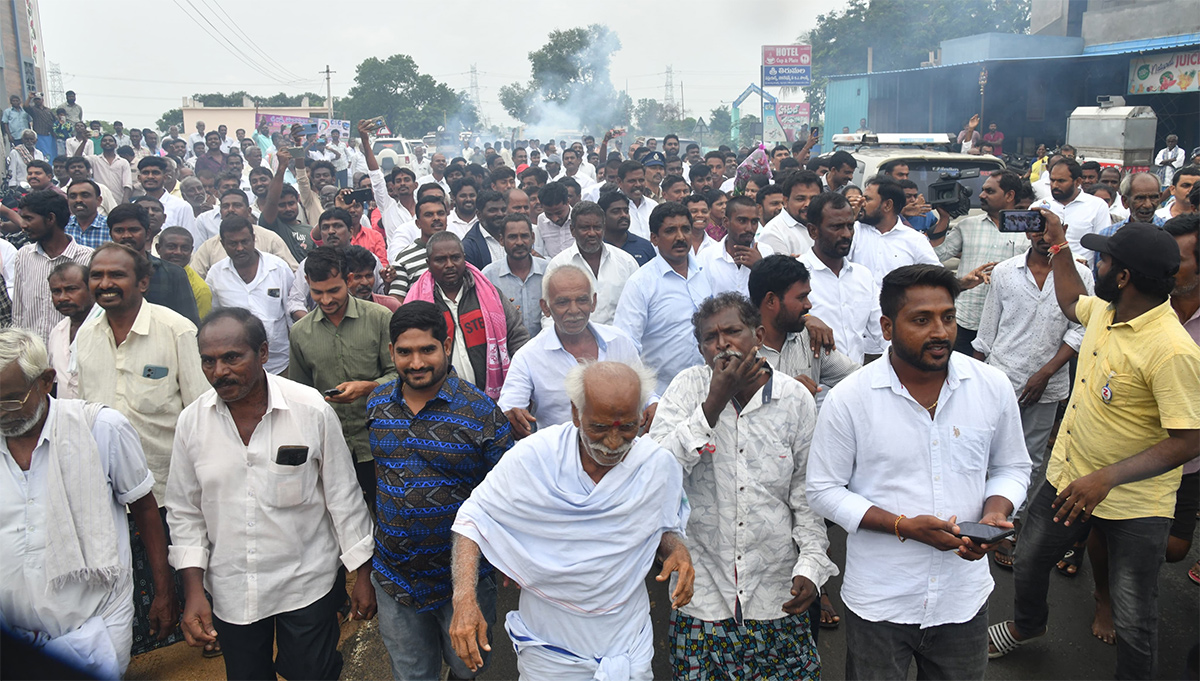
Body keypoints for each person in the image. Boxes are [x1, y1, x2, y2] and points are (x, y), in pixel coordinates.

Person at [988, 215, 1200, 680]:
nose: (1095, 265)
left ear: (1122, 276)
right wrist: (1059, 245)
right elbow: (1068, 301)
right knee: (1028, 559)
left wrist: (1108, 478)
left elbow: (1190, 439)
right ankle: (1028, 626)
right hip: (1069, 479)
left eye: (1102, 260)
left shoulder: (1172, 350)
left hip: (1135, 504)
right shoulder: (1107, 311)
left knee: (1133, 613)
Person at [807, 264, 1031, 681]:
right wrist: (902, 526)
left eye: (948, 317)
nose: (941, 332)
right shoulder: (850, 399)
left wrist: (994, 513)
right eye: (922, 320)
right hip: (881, 600)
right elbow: (823, 490)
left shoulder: (991, 386)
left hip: (962, 599)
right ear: (887, 327)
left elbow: (1011, 466)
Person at [165, 308, 375, 681]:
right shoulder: (192, 423)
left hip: (306, 581)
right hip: (232, 588)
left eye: (232, 357)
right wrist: (194, 590)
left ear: (263, 353)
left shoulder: (309, 409)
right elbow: (185, 511)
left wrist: (362, 574)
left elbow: (343, 497)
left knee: (314, 674)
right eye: (208, 361)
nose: (219, 371)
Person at [452, 361, 690, 680]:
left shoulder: (655, 465)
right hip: (550, 649)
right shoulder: (535, 457)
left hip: (627, 642)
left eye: (628, 427)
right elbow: (473, 519)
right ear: (577, 413)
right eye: (600, 428)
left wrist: (676, 550)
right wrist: (465, 598)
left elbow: (663, 525)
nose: (614, 442)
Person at [650, 292, 835, 679]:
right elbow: (656, 474)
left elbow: (807, 496)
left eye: (732, 331)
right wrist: (711, 406)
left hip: (776, 593)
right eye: (709, 337)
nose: (721, 344)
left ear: (759, 335)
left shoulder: (794, 398)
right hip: (702, 594)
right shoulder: (687, 389)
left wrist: (811, 565)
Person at [0, 327, 175, 679]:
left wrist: (163, 591)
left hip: (95, 629)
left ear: (47, 380)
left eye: (11, 400)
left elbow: (144, 509)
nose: (2, 413)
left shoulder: (102, 429)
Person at [365, 301, 513, 681]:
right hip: (394, 579)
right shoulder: (378, 405)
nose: (416, 363)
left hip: (463, 582)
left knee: (467, 670)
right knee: (412, 674)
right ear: (391, 352)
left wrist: (509, 556)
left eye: (427, 350)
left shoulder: (480, 412)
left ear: (446, 346)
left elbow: (507, 494)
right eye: (405, 352)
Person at [971, 217, 1092, 569]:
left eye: (1051, 231)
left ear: (1062, 233)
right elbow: (988, 328)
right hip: (1000, 377)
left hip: (1049, 384)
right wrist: (974, 376)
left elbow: (1081, 330)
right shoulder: (1007, 272)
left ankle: (1010, 525)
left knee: (1030, 457)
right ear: (1027, 232)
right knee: (985, 449)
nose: (1044, 238)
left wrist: (1047, 371)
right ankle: (981, 512)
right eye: (1037, 231)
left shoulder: (1081, 277)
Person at [288, 246, 396, 507]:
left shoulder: (380, 318)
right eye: (317, 292)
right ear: (307, 284)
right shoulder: (300, 333)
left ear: (348, 280)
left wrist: (368, 387)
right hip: (331, 448)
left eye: (333, 290)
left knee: (388, 512)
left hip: (382, 442)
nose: (326, 300)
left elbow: (400, 374)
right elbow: (300, 395)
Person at [498, 264, 645, 437]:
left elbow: (646, 394)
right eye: (563, 302)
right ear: (545, 307)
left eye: (582, 300)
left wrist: (652, 404)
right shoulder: (528, 356)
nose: (574, 310)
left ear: (593, 302)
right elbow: (509, 410)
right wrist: (512, 418)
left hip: (620, 450)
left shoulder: (619, 342)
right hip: (558, 459)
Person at [404, 232, 530, 396]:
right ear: (429, 263)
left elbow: (518, 337)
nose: (449, 264)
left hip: (492, 400)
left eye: (455, 258)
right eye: (441, 260)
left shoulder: (489, 294)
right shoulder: (417, 302)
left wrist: (521, 386)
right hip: (437, 402)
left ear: (464, 258)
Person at [615, 202, 714, 394]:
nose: (680, 237)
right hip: (661, 396)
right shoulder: (641, 283)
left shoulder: (705, 272)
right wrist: (648, 399)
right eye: (670, 231)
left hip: (708, 390)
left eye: (685, 229)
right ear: (654, 238)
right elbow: (626, 347)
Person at [932, 170, 1029, 355]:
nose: (981, 195)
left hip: (1007, 322)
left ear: (1010, 195)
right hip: (965, 319)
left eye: (990, 191)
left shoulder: (1027, 229)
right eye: (983, 190)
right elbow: (936, 255)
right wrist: (944, 218)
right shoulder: (967, 225)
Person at [796, 193, 886, 365]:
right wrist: (805, 319)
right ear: (813, 231)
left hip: (856, 383)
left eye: (850, 226)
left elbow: (883, 331)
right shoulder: (794, 274)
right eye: (836, 227)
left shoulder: (863, 276)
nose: (846, 234)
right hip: (811, 386)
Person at [1162, 214, 1200, 590]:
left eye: (1175, 262)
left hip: (1189, 459)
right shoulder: (1147, 302)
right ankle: (1107, 599)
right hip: (1130, 449)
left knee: (1174, 548)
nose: (1164, 269)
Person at [204, 216, 293, 374]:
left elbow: (291, 312)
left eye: (245, 241)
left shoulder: (278, 267)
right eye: (233, 243)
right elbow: (216, 317)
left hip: (280, 362)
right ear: (223, 244)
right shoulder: (215, 274)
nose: (240, 248)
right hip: (237, 366)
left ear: (253, 238)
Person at [12, 190, 94, 344]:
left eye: (28, 218)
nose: (23, 225)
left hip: (72, 353)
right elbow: (18, 311)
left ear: (50, 218)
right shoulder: (23, 255)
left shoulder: (88, 258)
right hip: (32, 356)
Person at [546, 201, 640, 325]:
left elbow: (638, 307)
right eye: (585, 228)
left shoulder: (626, 262)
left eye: (597, 227)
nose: (592, 233)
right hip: (574, 340)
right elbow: (548, 315)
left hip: (618, 340)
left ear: (604, 228)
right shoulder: (558, 265)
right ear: (573, 230)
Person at [107, 203, 201, 326]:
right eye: (119, 231)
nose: (126, 236)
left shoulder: (173, 274)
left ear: (148, 233)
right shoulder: (101, 275)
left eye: (134, 230)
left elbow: (190, 324)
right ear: (111, 234)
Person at [850, 177, 941, 286]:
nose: (862, 204)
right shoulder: (853, 231)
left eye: (867, 199)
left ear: (888, 205)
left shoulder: (915, 240)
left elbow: (936, 277)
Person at [481, 214, 547, 335]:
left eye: (524, 236)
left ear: (533, 237)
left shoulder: (549, 270)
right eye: (512, 237)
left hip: (545, 348)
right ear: (501, 240)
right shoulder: (488, 276)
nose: (519, 242)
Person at [698, 195, 773, 296]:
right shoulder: (707, 257)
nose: (749, 228)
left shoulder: (767, 253)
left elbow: (775, 295)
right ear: (726, 222)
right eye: (742, 221)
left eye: (754, 222)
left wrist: (760, 268)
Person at [1043, 159, 1112, 263]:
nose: (1055, 185)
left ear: (1078, 181)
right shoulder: (1040, 206)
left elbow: (1101, 247)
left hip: (1082, 274)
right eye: (1052, 180)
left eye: (1061, 181)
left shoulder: (1097, 206)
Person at [45, 261, 97, 399]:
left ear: (91, 289)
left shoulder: (108, 327)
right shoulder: (57, 332)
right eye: (56, 291)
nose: (62, 298)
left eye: (71, 289)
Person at [389, 195, 448, 303]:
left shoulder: (457, 252)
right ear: (418, 223)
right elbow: (396, 303)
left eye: (440, 213)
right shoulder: (404, 259)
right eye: (429, 215)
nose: (436, 218)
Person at [758, 171, 822, 257]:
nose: (808, 204)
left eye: (814, 198)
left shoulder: (827, 224)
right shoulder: (773, 233)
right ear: (785, 201)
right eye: (800, 199)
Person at [137, 157, 198, 245]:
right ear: (139, 178)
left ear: (165, 177)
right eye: (146, 173)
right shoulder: (134, 206)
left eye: (155, 173)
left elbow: (191, 241)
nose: (150, 177)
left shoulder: (182, 207)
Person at [157, 226, 212, 319]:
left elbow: (200, 328)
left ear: (191, 251)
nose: (178, 252)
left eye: (184, 248)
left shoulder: (200, 289)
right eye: (171, 247)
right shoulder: (147, 275)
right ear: (158, 248)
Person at [461, 189, 507, 270]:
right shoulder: (469, 246)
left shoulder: (515, 236)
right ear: (479, 215)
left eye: (503, 210)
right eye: (493, 210)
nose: (500, 214)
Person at [64, 178, 109, 249]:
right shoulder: (63, 226)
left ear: (98, 200)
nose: (78, 200)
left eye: (85, 195)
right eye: (73, 196)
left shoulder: (110, 227)